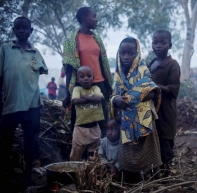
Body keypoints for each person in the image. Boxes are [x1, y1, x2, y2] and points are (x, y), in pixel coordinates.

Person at [0, 16, 48, 184]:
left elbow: (42, 70)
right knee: (6, 140)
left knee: (31, 139)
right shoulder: (6, 49)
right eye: (18, 27)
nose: (21, 30)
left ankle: (29, 175)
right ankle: (1, 173)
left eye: (25, 28)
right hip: (11, 103)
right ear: (14, 30)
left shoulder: (36, 52)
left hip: (32, 104)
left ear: (31, 31)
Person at [110, 37, 162, 183]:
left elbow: (152, 93)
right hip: (126, 121)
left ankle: (156, 181)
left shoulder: (143, 71)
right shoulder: (118, 74)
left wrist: (128, 98)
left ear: (137, 54)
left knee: (149, 151)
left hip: (143, 119)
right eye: (123, 53)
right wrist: (115, 100)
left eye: (130, 53)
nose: (126, 57)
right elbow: (114, 95)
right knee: (127, 153)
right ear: (118, 54)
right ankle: (128, 182)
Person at [62, 7, 112, 137]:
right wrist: (68, 92)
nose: (96, 20)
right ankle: (80, 153)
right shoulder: (71, 40)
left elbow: (103, 62)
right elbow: (69, 67)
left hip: (99, 83)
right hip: (80, 85)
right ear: (84, 18)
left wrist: (106, 84)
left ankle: (100, 153)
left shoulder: (97, 39)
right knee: (80, 119)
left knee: (101, 119)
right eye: (94, 16)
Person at [147, 30, 180, 177]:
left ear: (170, 45)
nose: (158, 46)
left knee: (166, 144)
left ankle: (165, 177)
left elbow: (173, 90)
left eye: (163, 42)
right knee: (154, 142)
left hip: (166, 113)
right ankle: (155, 174)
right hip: (152, 112)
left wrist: (155, 85)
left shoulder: (172, 65)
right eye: (155, 42)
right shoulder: (152, 63)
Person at [69, 66, 104, 161]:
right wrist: (91, 99)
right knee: (75, 156)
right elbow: (76, 101)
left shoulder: (96, 88)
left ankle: (90, 175)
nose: (86, 79)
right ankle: (75, 174)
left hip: (94, 128)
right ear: (78, 79)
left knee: (93, 156)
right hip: (80, 129)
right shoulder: (77, 89)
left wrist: (85, 98)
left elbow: (98, 99)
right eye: (82, 76)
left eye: (89, 76)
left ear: (93, 78)